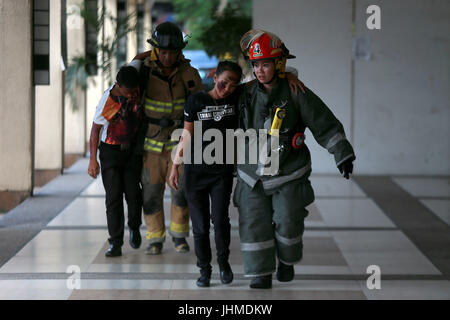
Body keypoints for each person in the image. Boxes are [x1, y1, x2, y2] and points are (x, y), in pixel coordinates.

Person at [234, 30, 356, 289]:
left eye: (265, 64)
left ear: (279, 64)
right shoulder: (244, 94)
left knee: (288, 222)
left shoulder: (296, 92)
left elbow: (323, 121)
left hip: (288, 173)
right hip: (251, 175)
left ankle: (286, 261)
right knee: (253, 224)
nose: (259, 70)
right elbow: (217, 103)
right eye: (255, 64)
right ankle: (260, 273)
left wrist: (341, 153)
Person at [168, 60, 304, 288]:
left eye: (233, 83)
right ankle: (204, 270)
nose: (228, 87)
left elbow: (264, 80)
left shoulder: (237, 97)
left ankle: (224, 264)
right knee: (199, 226)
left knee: (220, 221)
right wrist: (175, 165)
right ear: (214, 76)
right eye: (225, 81)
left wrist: (290, 77)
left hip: (221, 172)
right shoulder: (196, 101)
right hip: (195, 174)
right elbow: (186, 135)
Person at [130, 22, 203, 255]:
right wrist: (138, 58)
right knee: (151, 192)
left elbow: (200, 106)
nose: (168, 56)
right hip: (151, 144)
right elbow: (126, 80)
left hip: (179, 143)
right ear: (155, 50)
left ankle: (179, 237)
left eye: (172, 52)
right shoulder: (143, 69)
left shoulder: (189, 73)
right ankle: (155, 239)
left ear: (180, 51)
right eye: (163, 52)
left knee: (180, 191)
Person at [88, 66, 143, 257]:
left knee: (134, 195)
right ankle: (116, 242)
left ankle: (134, 227)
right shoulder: (108, 101)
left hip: (131, 152)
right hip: (110, 152)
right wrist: (92, 160)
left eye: (133, 91)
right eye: (127, 92)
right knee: (113, 198)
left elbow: (137, 60)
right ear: (118, 86)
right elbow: (95, 130)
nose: (130, 96)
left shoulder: (135, 84)